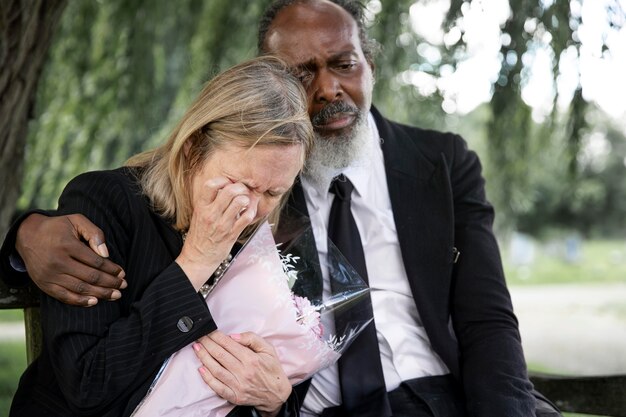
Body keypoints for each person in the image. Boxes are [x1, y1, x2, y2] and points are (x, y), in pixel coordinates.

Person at [1, 1, 561, 416]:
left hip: (441, 392)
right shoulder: (207, 187)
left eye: (343, 63)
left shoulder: (428, 166)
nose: (328, 90)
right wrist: (25, 233)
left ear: (369, 62)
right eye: (301, 73)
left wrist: (273, 401)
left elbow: (488, 319)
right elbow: (96, 378)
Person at [5, 55, 314, 417]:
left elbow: (282, 391)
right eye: (240, 185)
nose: (253, 209)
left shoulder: (274, 241)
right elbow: (87, 384)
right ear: (193, 150)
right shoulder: (106, 203)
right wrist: (195, 263)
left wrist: (274, 403)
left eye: (274, 193)